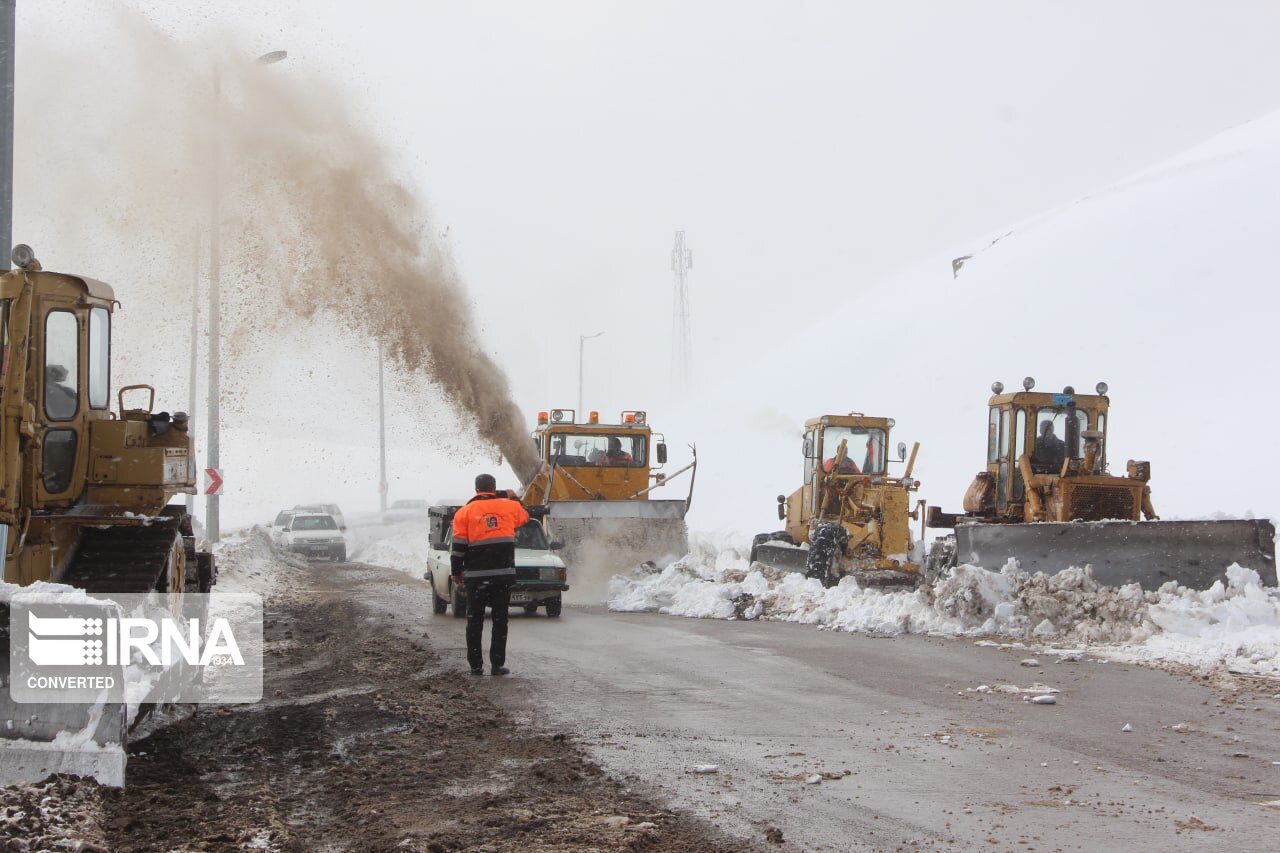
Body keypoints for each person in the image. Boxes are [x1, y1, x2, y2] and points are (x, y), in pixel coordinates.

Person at [450, 473, 530, 676]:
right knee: (500, 620)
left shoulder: (464, 513)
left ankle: (476, 666)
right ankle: (497, 665)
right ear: (494, 488)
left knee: (474, 621)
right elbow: (525, 516)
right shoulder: (510, 507)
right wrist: (510, 496)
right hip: (502, 577)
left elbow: (458, 548)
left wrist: (456, 572)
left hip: (476, 579)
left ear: (476, 489)